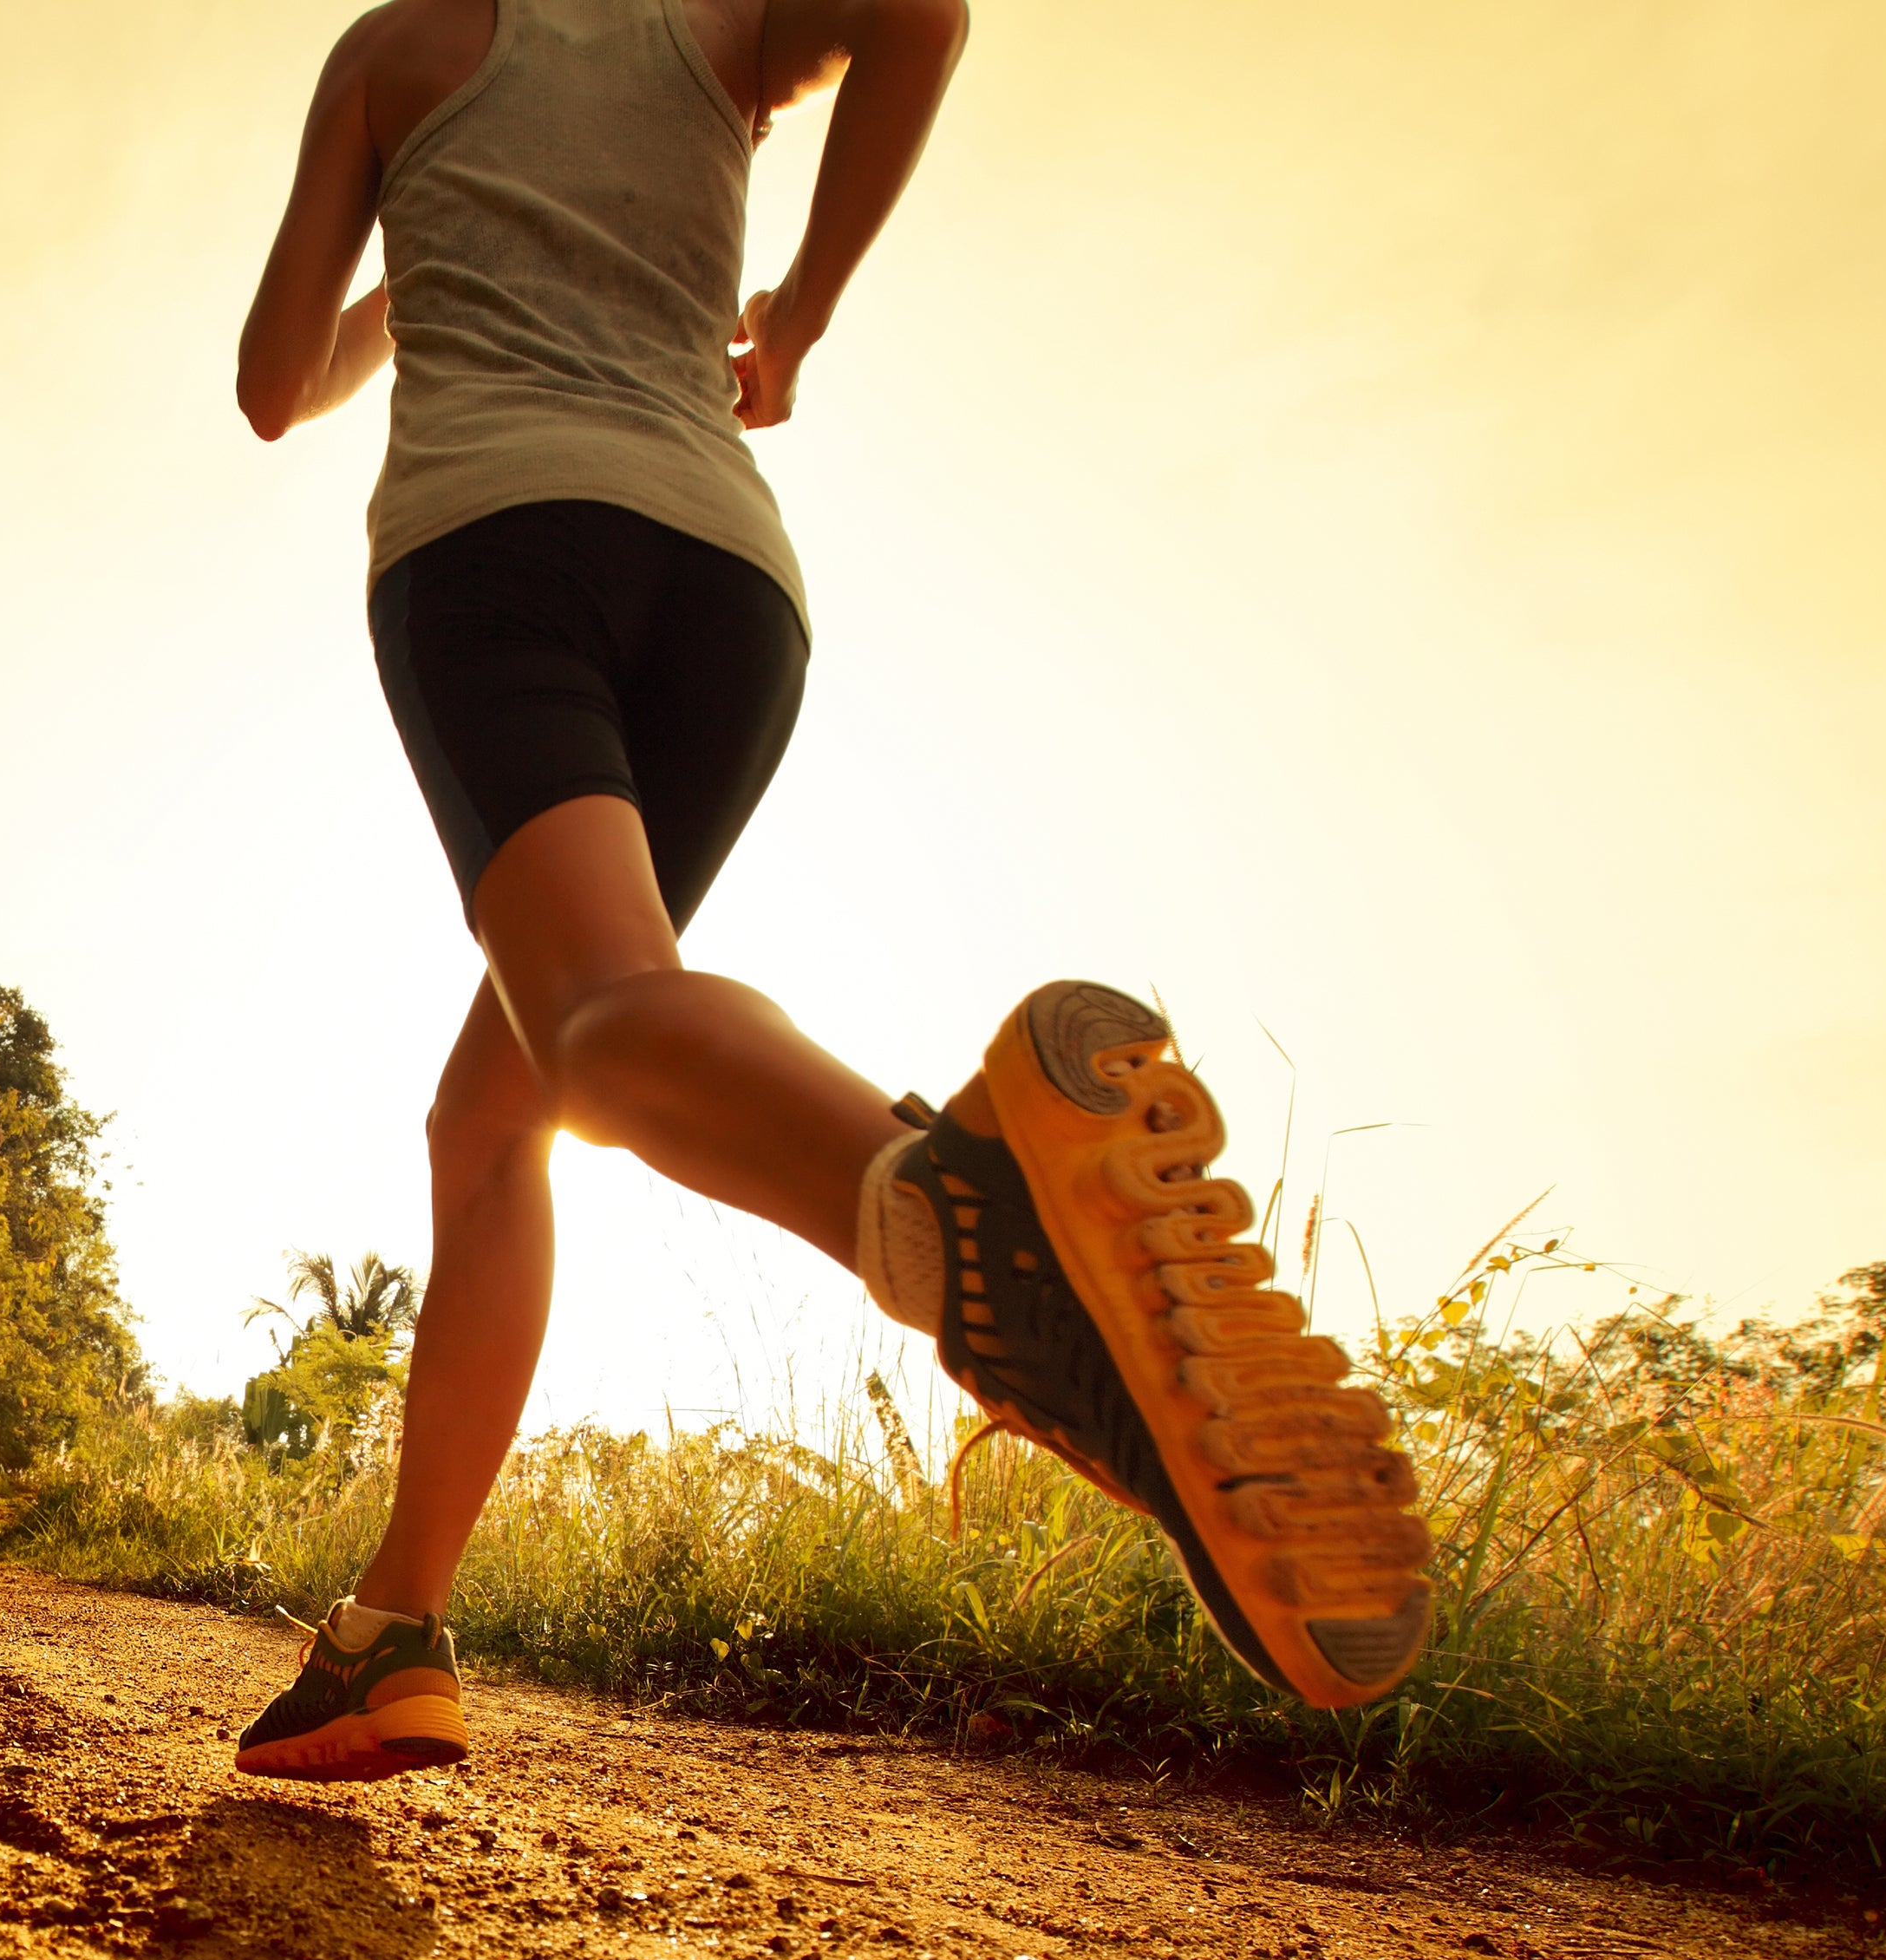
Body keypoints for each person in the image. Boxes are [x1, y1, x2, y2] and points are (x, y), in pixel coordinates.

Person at [225, 0, 1434, 1781]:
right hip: (729, 590)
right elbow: (919, 14)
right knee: (495, 1109)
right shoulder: (707, 30)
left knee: (596, 1023)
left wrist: (415, 269)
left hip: (500, 543)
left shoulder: (400, 53)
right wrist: (799, 312)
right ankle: (395, 1626)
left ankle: (943, 1196)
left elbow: (272, 386)